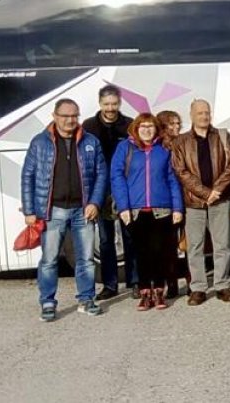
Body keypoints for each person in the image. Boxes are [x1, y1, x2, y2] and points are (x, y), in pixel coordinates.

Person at [22, 98, 107, 321]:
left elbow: (101, 175)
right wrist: (29, 211)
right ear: (54, 116)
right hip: (53, 211)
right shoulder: (39, 142)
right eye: (65, 116)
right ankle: (48, 302)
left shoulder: (90, 142)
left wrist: (95, 202)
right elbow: (27, 176)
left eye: (74, 116)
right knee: (49, 260)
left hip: (83, 210)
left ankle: (86, 299)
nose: (70, 120)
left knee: (86, 259)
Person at [110, 113, 184, 310]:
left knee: (160, 252)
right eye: (142, 126)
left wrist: (177, 208)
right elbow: (117, 178)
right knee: (141, 254)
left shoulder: (163, 150)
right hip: (135, 210)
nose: (146, 130)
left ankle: (159, 291)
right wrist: (123, 207)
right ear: (136, 128)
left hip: (162, 209)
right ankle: (144, 292)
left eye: (150, 126)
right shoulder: (125, 148)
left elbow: (172, 179)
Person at [170, 99, 230, 305]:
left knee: (222, 245)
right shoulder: (180, 141)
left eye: (207, 112)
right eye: (200, 113)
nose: (204, 116)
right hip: (193, 202)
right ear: (191, 115)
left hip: (220, 199)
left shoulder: (222, 137)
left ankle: (222, 285)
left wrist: (216, 190)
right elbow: (181, 171)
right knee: (195, 246)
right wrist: (205, 193)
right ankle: (198, 288)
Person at [81, 84, 138, 301]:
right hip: (100, 189)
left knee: (130, 236)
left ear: (120, 103)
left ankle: (135, 281)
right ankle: (110, 284)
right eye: (107, 104)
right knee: (105, 239)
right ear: (100, 104)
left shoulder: (130, 125)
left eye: (114, 104)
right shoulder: (88, 126)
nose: (111, 108)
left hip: (125, 186)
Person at [154, 110, 186, 298]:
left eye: (177, 123)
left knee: (187, 242)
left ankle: (191, 281)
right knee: (168, 244)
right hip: (168, 199)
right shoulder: (159, 147)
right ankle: (171, 283)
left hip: (186, 195)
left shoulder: (184, 142)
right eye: (170, 124)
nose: (175, 127)